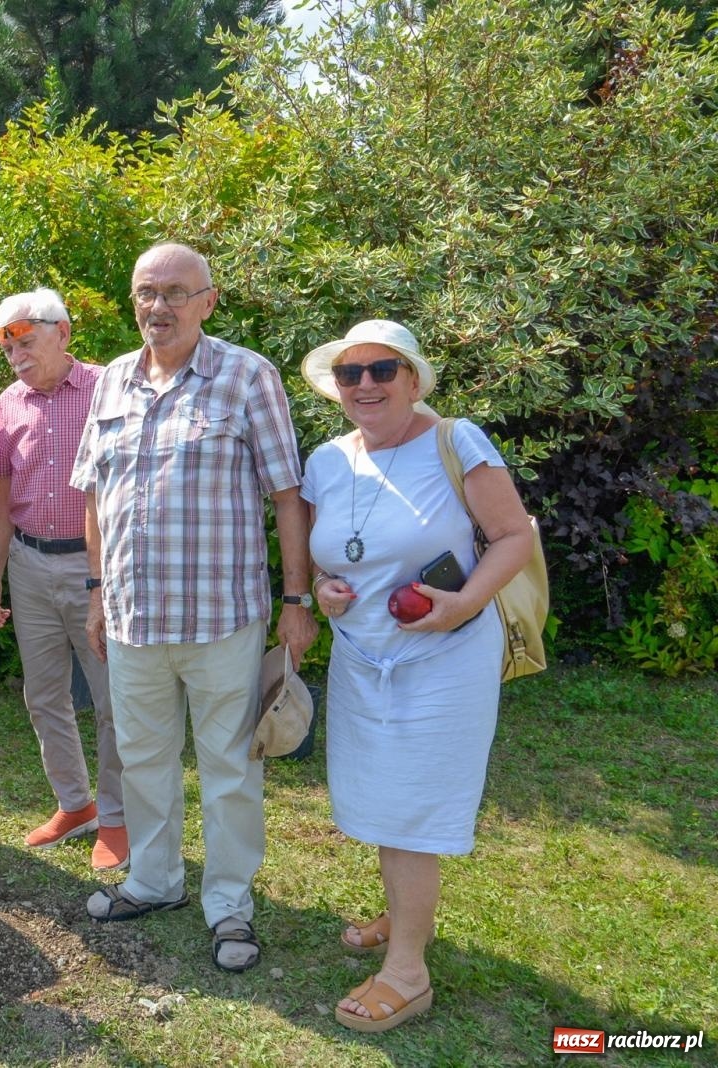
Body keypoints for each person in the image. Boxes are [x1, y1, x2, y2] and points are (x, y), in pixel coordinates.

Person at [70, 242, 317, 974]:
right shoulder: (112, 380)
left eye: (178, 292)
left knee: (230, 768)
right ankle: (154, 881)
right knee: (142, 757)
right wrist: (96, 591)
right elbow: (94, 495)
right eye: (148, 291)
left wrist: (295, 597)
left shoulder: (247, 376)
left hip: (222, 618)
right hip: (133, 617)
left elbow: (287, 495)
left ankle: (230, 903)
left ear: (209, 301)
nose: (160, 306)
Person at [300, 319, 532, 1031]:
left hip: (443, 657)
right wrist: (322, 587)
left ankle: (407, 972)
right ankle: (406, 918)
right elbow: (325, 557)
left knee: (413, 813)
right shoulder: (328, 461)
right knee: (379, 797)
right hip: (362, 658)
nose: (365, 384)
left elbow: (516, 535)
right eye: (350, 373)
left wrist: (463, 600)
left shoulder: (454, 442)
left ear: (412, 378)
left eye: (382, 370)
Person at [0, 288, 127, 871]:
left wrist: (104, 577)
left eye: (25, 336)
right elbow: (2, 493)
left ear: (63, 332)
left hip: (97, 568)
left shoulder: (107, 390)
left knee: (115, 698)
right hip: (29, 564)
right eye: (6, 342)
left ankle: (117, 818)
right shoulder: (7, 403)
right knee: (43, 695)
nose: (15, 351)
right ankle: (77, 804)